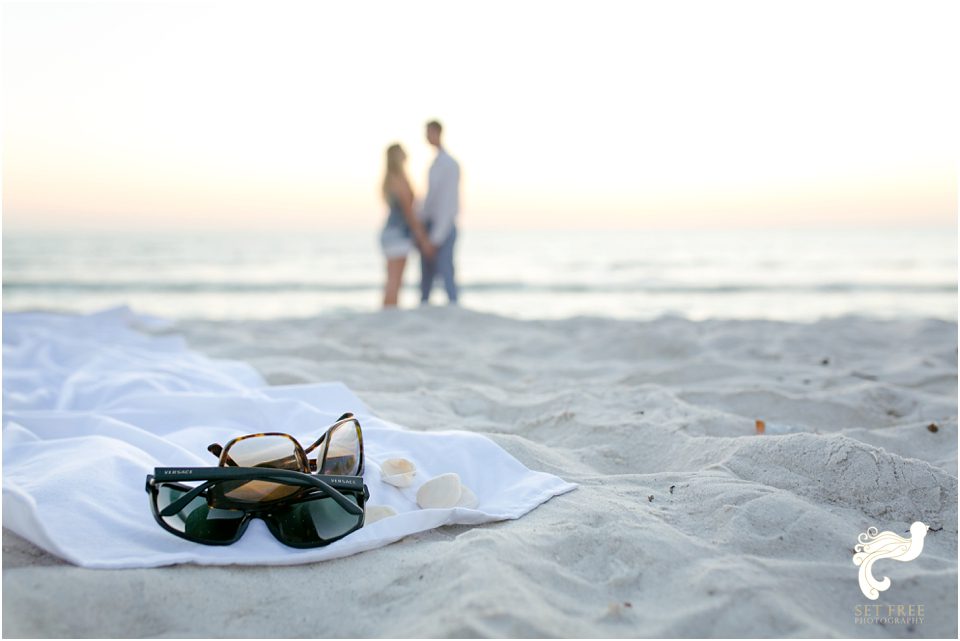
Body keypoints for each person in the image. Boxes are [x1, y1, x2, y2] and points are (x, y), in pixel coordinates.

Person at [379, 143, 430, 308]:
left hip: (389, 232)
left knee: (391, 281)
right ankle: (388, 315)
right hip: (398, 233)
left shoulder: (388, 179)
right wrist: (422, 237)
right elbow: (409, 212)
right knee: (395, 281)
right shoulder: (399, 178)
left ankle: (386, 314)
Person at [418, 120, 461, 304]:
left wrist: (435, 237)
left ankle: (454, 309)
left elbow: (447, 204)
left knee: (446, 274)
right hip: (430, 226)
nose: (426, 136)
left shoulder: (449, 164)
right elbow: (430, 200)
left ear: (437, 132)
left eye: (428, 132)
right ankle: (424, 307)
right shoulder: (435, 163)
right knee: (426, 278)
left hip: (442, 227)